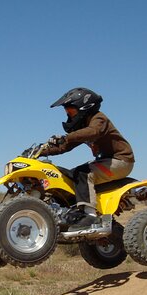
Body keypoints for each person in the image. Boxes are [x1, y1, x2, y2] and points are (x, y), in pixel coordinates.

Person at [41, 87, 135, 230]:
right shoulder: (84, 127)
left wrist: (66, 137)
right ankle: (72, 211)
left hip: (121, 161)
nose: (69, 115)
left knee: (84, 174)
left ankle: (90, 216)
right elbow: (65, 146)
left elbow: (93, 132)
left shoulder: (98, 119)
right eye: (67, 112)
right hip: (106, 162)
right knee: (68, 175)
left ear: (85, 107)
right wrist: (41, 151)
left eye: (71, 111)